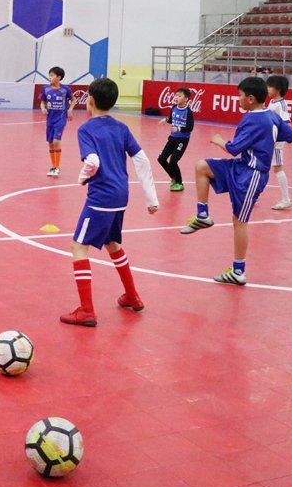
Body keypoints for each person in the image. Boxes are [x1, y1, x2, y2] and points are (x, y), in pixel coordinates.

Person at [180, 76, 292, 286]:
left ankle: (238, 271)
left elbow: (233, 148)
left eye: (239, 96)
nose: (237, 99)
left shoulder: (254, 120)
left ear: (250, 98)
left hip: (252, 175)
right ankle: (203, 215)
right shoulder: (270, 116)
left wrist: (219, 140)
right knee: (202, 166)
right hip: (241, 166)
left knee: (239, 221)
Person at [61, 77, 159, 327]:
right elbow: (142, 159)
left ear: (91, 101)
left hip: (101, 197)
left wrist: (82, 177)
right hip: (121, 196)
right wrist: (151, 198)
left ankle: (86, 310)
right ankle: (132, 296)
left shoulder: (86, 129)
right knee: (112, 243)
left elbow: (92, 161)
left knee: (78, 247)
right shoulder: (121, 127)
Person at [39, 66, 75, 177]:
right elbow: (42, 102)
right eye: (49, 75)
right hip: (50, 120)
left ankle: (57, 167)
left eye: (52, 75)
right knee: (50, 143)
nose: (49, 77)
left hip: (61, 119)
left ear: (59, 77)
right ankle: (54, 166)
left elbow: (73, 100)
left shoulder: (65, 90)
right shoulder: (45, 89)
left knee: (56, 142)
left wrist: (70, 110)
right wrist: (43, 108)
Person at [157, 87, 194, 191]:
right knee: (161, 159)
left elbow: (190, 127)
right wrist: (166, 119)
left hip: (182, 140)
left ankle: (179, 183)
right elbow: (172, 119)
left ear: (186, 99)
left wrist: (178, 128)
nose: (176, 97)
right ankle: (173, 177)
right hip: (172, 138)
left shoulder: (188, 112)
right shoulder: (173, 108)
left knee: (173, 161)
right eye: (176, 95)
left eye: (179, 96)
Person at [266, 75, 292, 210]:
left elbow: (287, 124)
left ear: (277, 89)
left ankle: (286, 199)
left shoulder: (281, 104)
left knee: (277, 168)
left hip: (276, 142)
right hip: (269, 140)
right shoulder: (272, 102)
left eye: (270, 86)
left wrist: (279, 138)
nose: (267, 89)